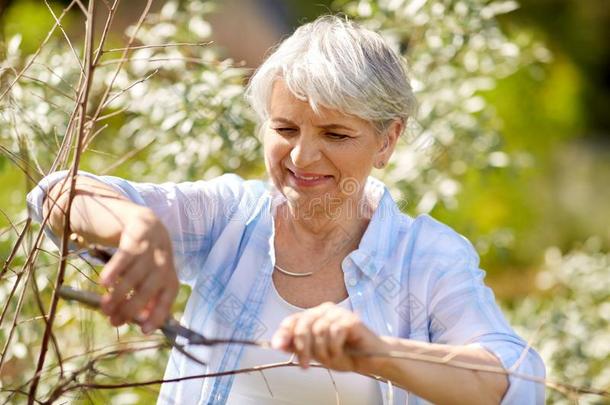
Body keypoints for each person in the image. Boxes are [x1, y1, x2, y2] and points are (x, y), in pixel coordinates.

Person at [27, 15, 545, 405]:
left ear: (388, 141)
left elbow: (518, 381)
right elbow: (56, 195)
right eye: (285, 129)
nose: (301, 157)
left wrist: (377, 352)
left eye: (336, 135)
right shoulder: (230, 218)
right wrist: (137, 226)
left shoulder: (427, 259)